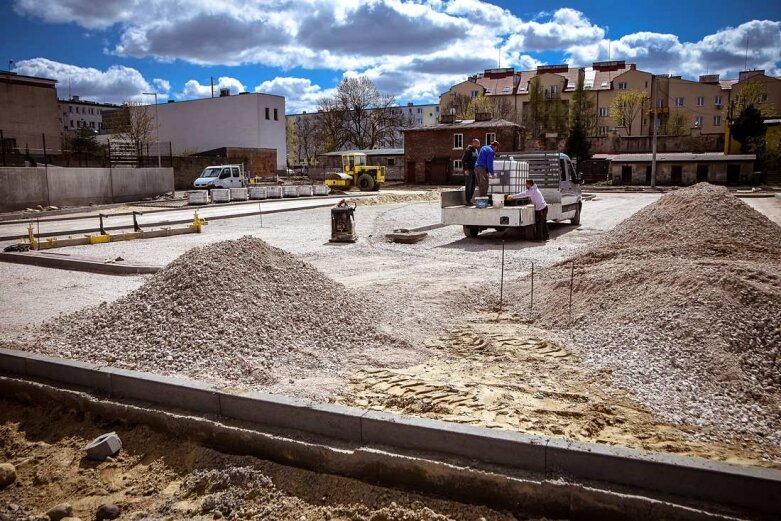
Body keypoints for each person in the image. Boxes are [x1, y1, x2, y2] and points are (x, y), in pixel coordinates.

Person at [461, 138, 479, 204]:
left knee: (473, 185)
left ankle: (470, 199)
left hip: (474, 170)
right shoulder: (468, 150)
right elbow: (463, 160)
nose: (478, 145)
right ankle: (467, 200)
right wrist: (465, 169)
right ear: (473, 143)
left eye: (479, 143)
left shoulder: (476, 150)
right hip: (469, 170)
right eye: (477, 143)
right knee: (468, 185)